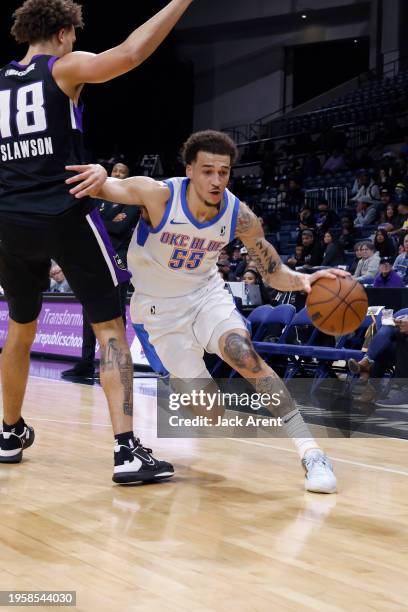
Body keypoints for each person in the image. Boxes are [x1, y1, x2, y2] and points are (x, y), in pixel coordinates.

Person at [68, 129, 352, 494]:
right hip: (160, 313)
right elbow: (110, 188)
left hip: (206, 296)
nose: (217, 180)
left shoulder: (240, 216)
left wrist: (307, 280)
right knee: (212, 415)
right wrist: (98, 175)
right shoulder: (158, 195)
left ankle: (311, 452)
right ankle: (181, 384)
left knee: (245, 355)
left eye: (224, 171)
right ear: (189, 170)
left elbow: (274, 272)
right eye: (207, 171)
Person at [0, 0, 193, 485]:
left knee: (21, 329)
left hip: (9, 220)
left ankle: (8, 431)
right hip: (64, 209)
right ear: (64, 33)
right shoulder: (63, 67)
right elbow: (128, 54)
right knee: (110, 329)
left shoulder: (1, 80)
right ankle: (127, 449)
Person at [61, 162, 139, 378]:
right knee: (89, 312)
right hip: (96, 260)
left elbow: (119, 228)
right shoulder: (98, 199)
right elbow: (89, 225)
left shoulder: (133, 201)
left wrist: (101, 222)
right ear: (110, 173)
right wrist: (107, 222)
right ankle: (85, 363)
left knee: (117, 313)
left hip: (119, 260)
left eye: (123, 172)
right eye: (116, 171)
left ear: (127, 177)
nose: (118, 174)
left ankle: (119, 364)